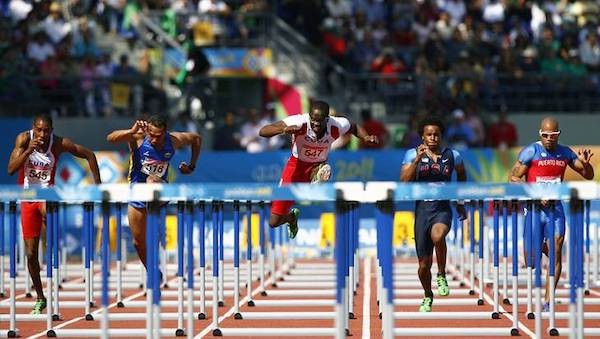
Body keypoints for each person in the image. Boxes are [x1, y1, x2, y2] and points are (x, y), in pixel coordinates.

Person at [7, 114, 101, 314]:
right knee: (31, 254)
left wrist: (97, 186)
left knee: (47, 209)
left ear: (52, 130)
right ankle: (41, 297)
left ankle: (52, 239)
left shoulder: (58, 143)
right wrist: (28, 151)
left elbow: (89, 155)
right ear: (33, 128)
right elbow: (10, 169)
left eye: (46, 130)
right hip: (27, 197)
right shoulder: (23, 139)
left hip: (47, 194)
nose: (42, 134)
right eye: (39, 130)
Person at [259, 100, 378, 238]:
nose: (315, 124)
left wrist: (366, 137)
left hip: (317, 165)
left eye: (319, 121)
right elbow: (263, 131)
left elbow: (354, 127)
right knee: (274, 222)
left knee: (322, 169)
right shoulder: (300, 122)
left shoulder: (337, 124)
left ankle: (318, 177)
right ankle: (291, 217)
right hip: (296, 166)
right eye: (313, 120)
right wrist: (284, 130)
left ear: (327, 119)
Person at [509, 117, 593, 311]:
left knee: (556, 248)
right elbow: (513, 177)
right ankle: (543, 250)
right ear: (540, 134)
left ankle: (548, 300)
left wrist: (586, 165)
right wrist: (535, 194)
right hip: (534, 209)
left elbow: (588, 175)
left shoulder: (565, 153)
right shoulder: (531, 151)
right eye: (545, 135)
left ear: (558, 135)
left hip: (555, 209)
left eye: (552, 135)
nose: (549, 139)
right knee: (531, 259)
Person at [106, 115, 202, 274]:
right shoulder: (139, 136)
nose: (153, 139)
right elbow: (110, 138)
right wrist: (131, 131)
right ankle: (152, 271)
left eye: (158, 136)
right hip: (136, 193)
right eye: (150, 134)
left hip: (160, 190)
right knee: (137, 242)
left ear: (165, 133)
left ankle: (155, 226)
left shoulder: (174, 140)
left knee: (151, 180)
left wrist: (191, 166)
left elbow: (196, 139)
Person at [400, 116, 467, 312]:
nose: (433, 138)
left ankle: (441, 274)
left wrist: (460, 201)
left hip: (442, 209)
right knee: (422, 266)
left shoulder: (453, 155)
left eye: (436, 134)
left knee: (438, 235)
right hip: (422, 211)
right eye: (429, 135)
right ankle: (428, 294)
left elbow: (462, 175)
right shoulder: (412, 154)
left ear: (441, 136)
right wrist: (418, 159)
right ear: (422, 137)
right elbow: (403, 180)